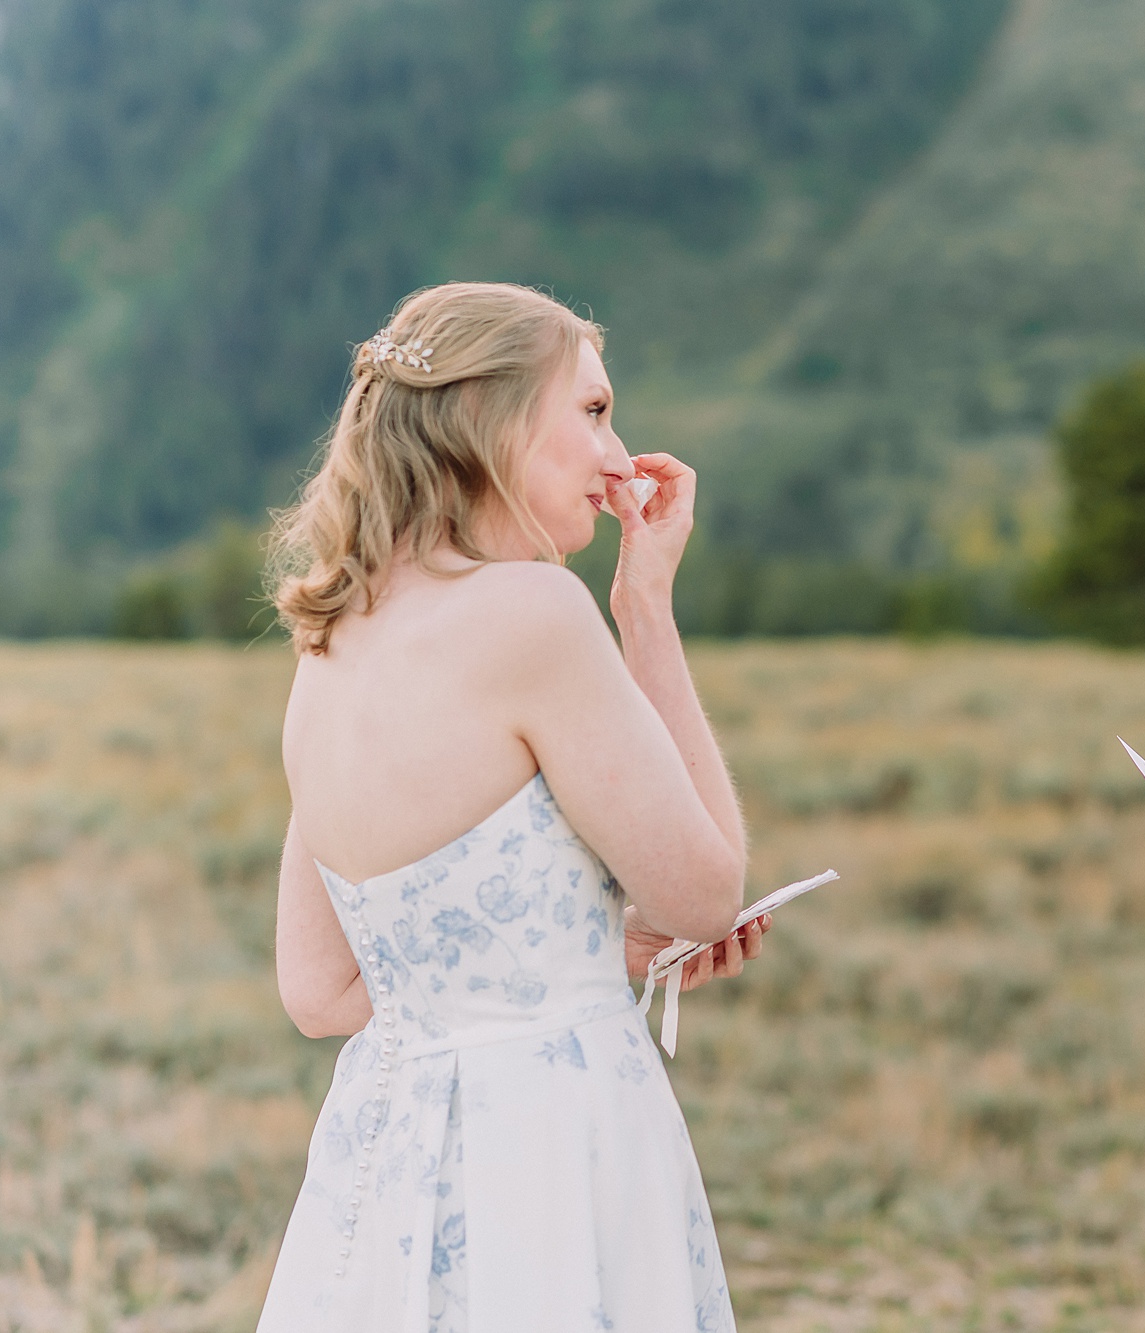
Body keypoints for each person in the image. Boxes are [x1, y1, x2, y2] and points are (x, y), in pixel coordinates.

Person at [259, 281, 765, 1331]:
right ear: (489, 422)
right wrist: (644, 608)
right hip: (541, 1148)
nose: (618, 456)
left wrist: (573, 949)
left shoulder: (329, 647)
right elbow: (707, 891)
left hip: (383, 1165)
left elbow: (318, 990)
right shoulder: (534, 611)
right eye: (588, 411)